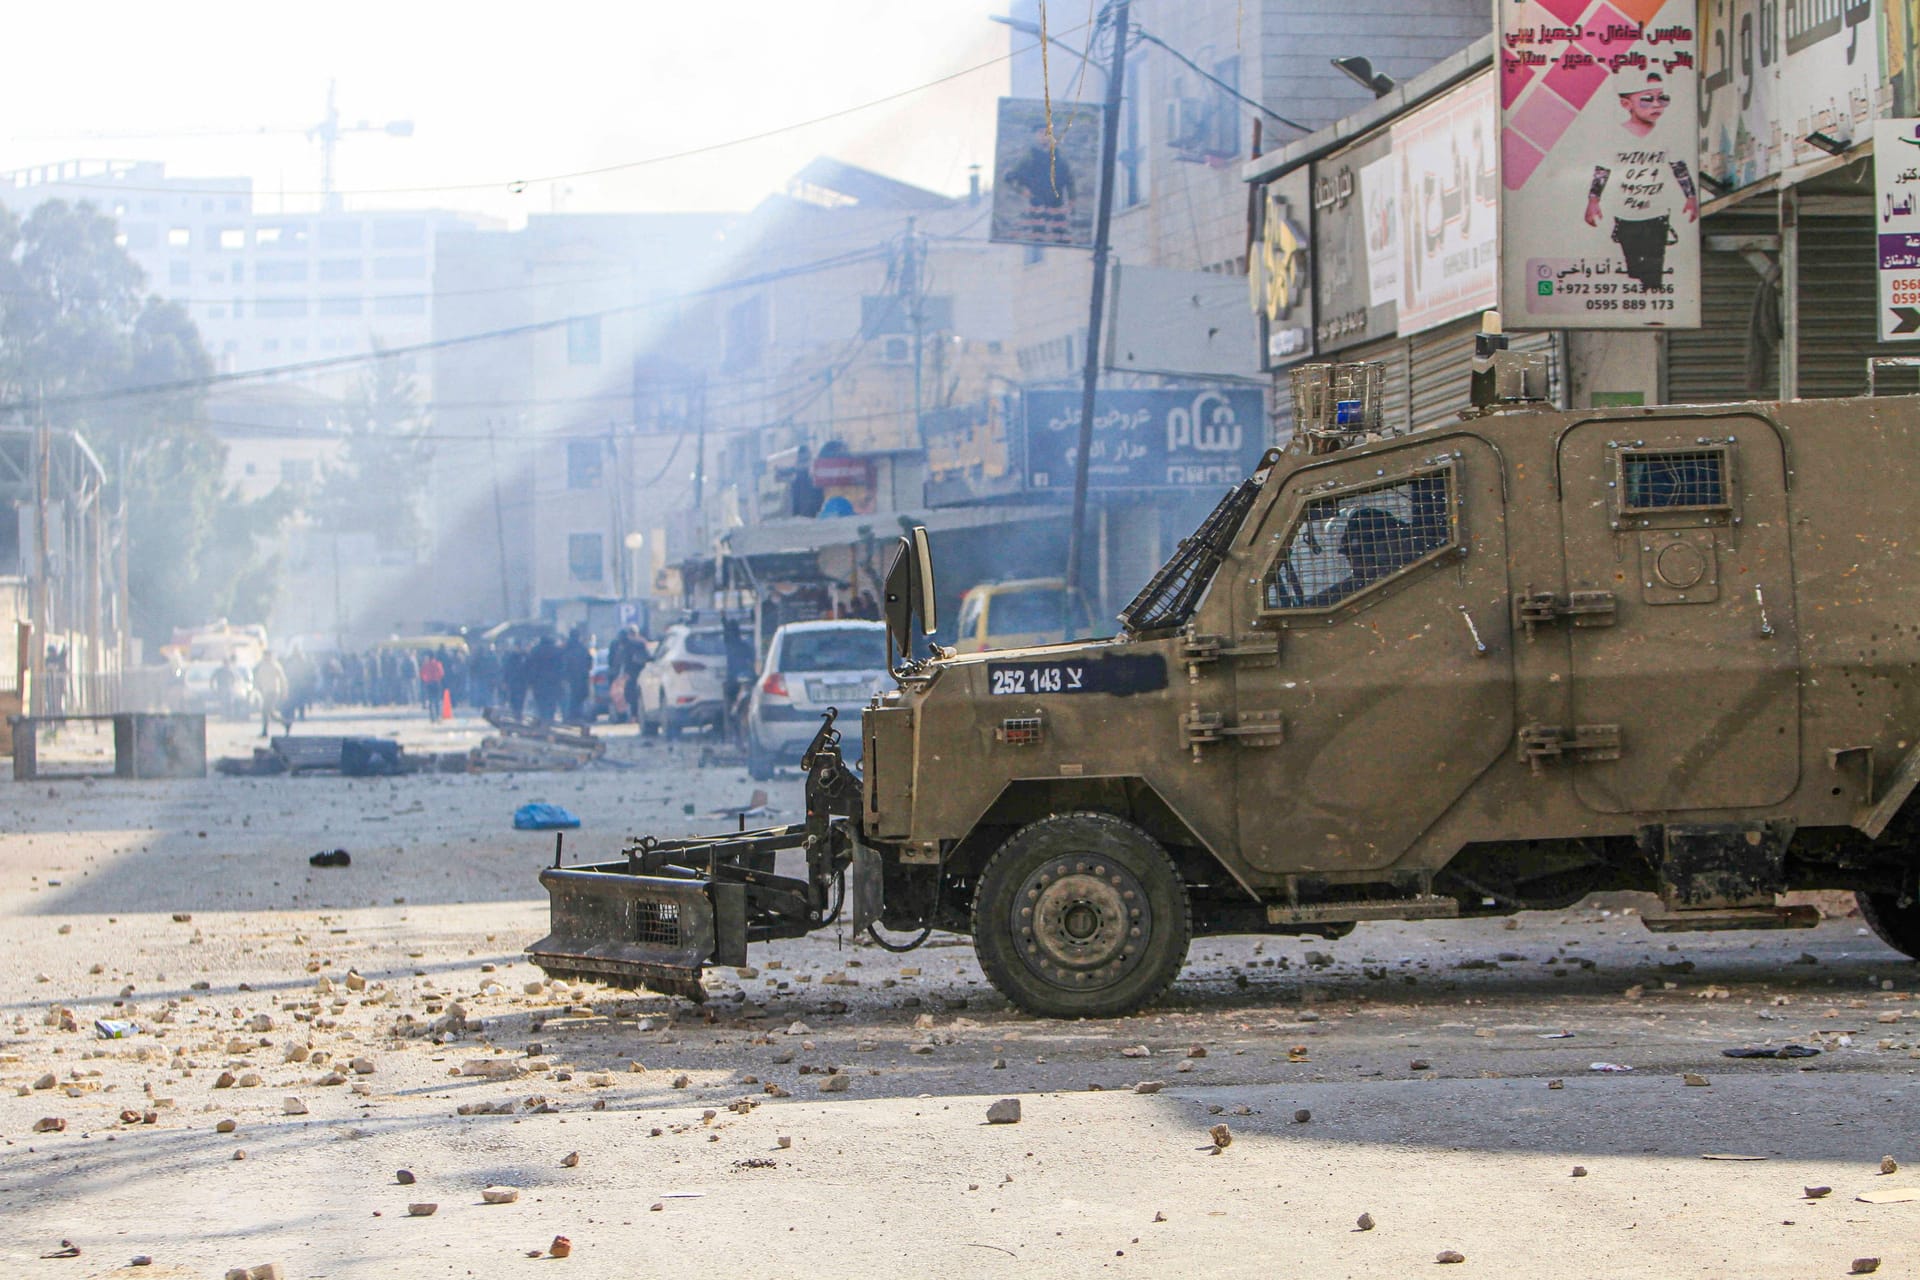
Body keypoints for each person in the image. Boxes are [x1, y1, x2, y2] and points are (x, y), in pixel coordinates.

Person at [1582, 72, 1699, 293]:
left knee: (1654, 269)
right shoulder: (1615, 136)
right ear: (1626, 104)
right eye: (1647, 99)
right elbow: (1602, 171)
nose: (1656, 105)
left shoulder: (1667, 135)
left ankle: (1653, 297)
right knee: (1634, 269)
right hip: (1626, 214)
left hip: (1657, 214)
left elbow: (1679, 168)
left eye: (1662, 98)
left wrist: (1691, 198)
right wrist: (1593, 200)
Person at [527, 635, 564, 723]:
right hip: (554, 682)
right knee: (552, 701)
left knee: (540, 702)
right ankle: (550, 718)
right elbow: (562, 667)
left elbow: (529, 667)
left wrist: (530, 681)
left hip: (538, 682)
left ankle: (543, 719)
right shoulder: (557, 651)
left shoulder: (535, 650)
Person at [253, 649, 289, 738]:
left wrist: (284, 691)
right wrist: (257, 688)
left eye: (267, 655)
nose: (266, 657)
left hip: (273, 691)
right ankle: (286, 723)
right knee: (270, 713)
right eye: (265, 655)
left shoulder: (275, 665)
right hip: (266, 691)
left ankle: (265, 731)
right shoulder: (262, 665)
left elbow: (283, 679)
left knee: (265, 711)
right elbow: (258, 678)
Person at [561, 628, 593, 724]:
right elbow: (589, 662)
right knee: (579, 697)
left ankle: (568, 717)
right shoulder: (583, 648)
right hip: (582, 677)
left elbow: (561, 663)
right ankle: (578, 716)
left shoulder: (565, 648)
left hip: (569, 678)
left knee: (569, 697)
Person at [419, 650, 445, 721]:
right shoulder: (438, 664)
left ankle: (432, 717)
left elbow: (422, 674)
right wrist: (438, 678)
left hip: (429, 683)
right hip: (436, 683)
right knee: (437, 701)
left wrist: (426, 679)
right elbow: (441, 673)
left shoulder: (426, 665)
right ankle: (438, 716)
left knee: (431, 701)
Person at [210, 656, 239, 720]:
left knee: (230, 703)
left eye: (227, 663)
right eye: (226, 663)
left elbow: (235, 679)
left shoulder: (230, 670)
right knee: (223, 703)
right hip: (222, 688)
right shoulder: (219, 671)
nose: (226, 664)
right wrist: (213, 687)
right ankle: (223, 716)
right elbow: (212, 679)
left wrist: (233, 686)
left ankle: (230, 716)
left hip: (229, 688)